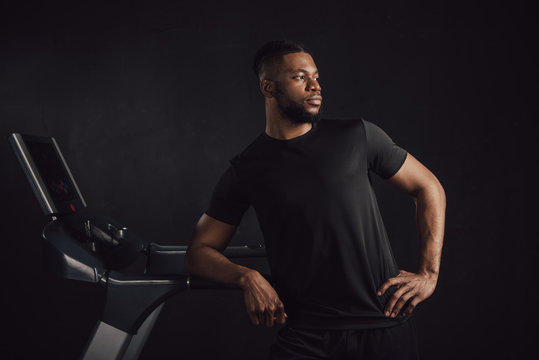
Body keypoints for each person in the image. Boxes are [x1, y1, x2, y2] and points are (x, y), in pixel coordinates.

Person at [185, 40, 446, 359]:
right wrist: (246, 277)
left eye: (316, 76)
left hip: (385, 325)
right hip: (308, 335)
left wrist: (428, 274)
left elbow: (428, 186)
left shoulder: (357, 136)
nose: (315, 86)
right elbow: (199, 253)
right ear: (269, 87)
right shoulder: (248, 168)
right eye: (299, 77)